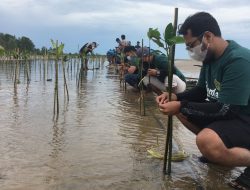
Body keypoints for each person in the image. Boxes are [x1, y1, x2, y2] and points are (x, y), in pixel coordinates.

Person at [156, 12, 250, 190]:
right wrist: (175, 97)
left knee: (207, 141)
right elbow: (200, 91)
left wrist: (181, 104)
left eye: (192, 45)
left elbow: (226, 109)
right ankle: (221, 155)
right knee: (182, 112)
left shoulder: (238, 59)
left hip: (243, 115)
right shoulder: (209, 59)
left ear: (208, 36)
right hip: (234, 115)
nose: (191, 51)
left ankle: (222, 152)